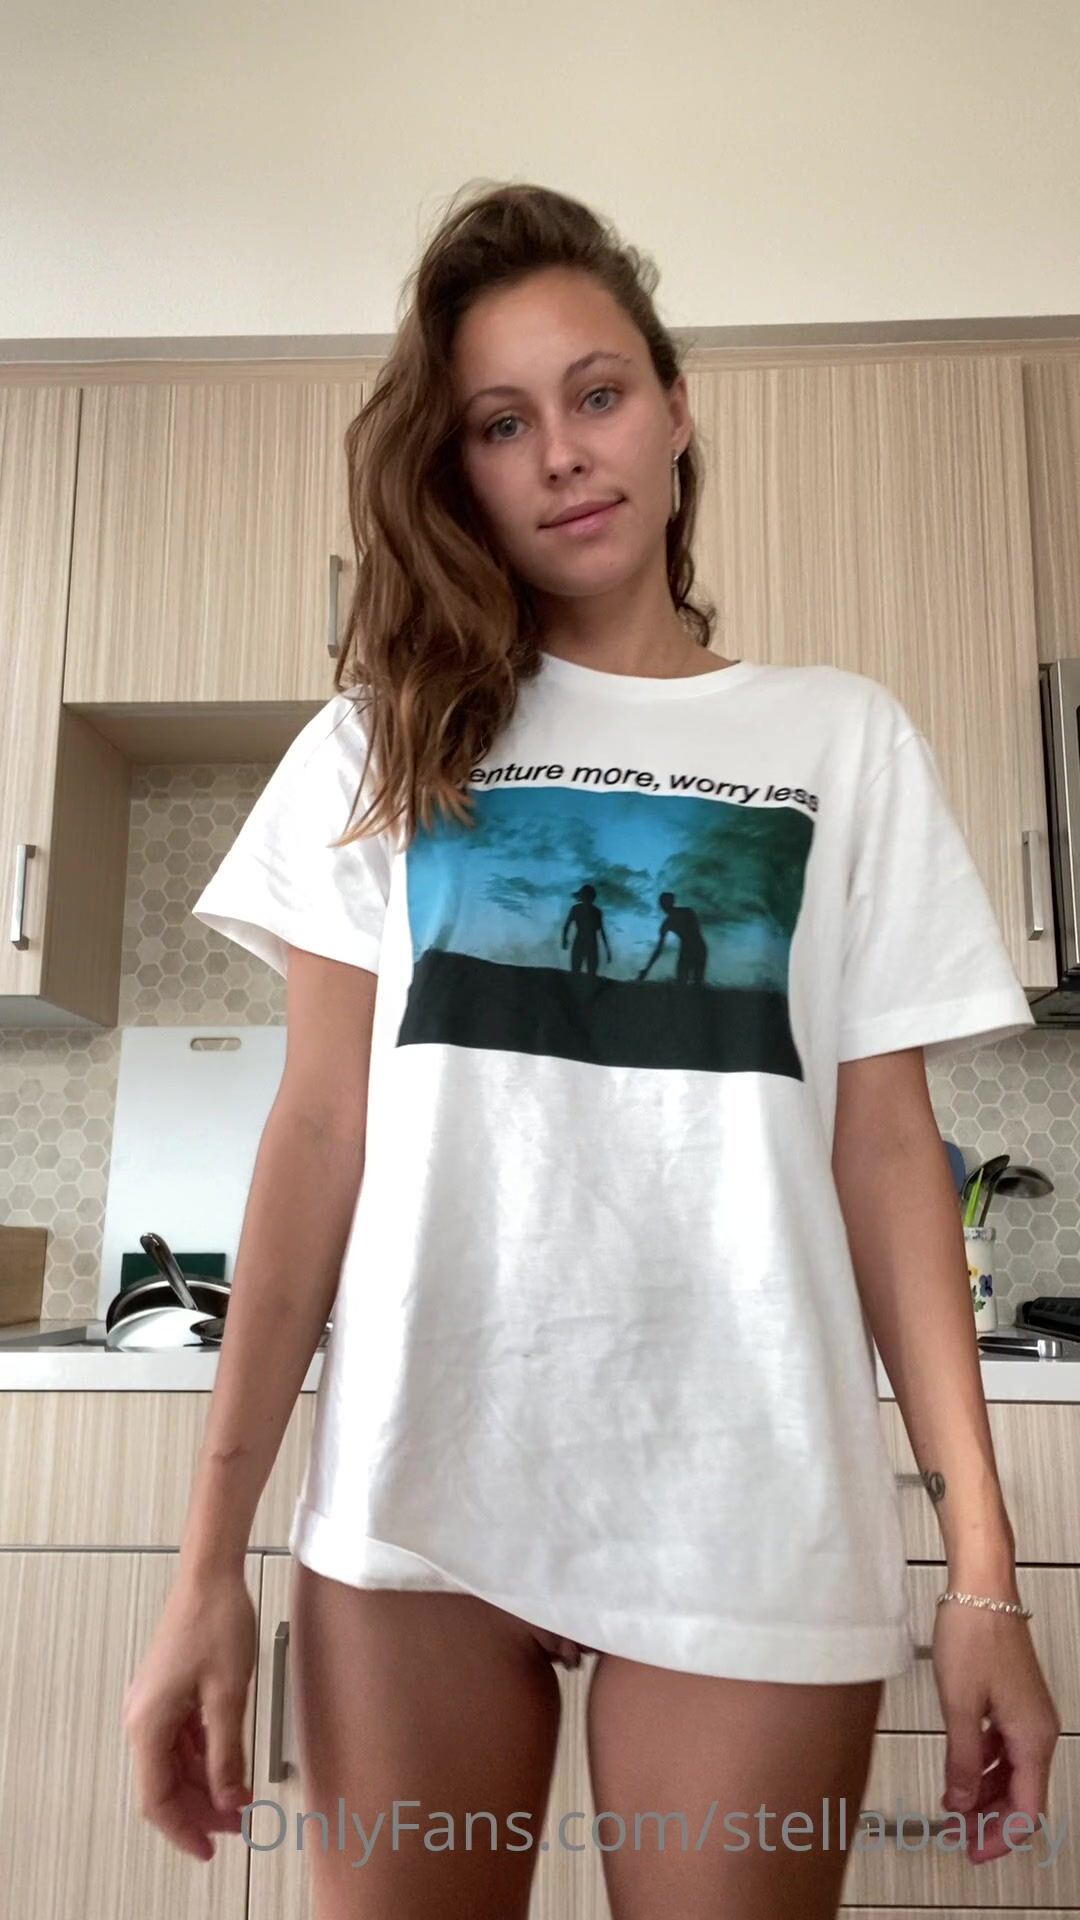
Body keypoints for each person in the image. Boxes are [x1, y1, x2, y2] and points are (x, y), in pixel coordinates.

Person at [122, 179, 1061, 1920]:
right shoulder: (377, 746)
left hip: (753, 1487)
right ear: (458, 469)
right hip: (418, 1484)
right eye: (501, 422)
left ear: (675, 409)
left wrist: (984, 1572)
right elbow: (319, 1132)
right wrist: (205, 1572)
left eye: (599, 392)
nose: (562, 452)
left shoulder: (839, 739)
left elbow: (883, 1157)